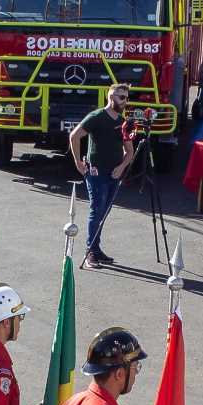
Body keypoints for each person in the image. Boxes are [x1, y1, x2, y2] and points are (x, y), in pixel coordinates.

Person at [70, 84, 141, 268]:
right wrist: (78, 161)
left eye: (126, 97)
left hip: (113, 173)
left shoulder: (123, 122)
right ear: (111, 98)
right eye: (121, 97)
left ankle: (96, 248)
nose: (125, 101)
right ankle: (90, 252)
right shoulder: (97, 117)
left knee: (104, 211)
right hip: (96, 172)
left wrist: (122, 167)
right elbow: (74, 136)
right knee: (96, 210)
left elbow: (130, 151)